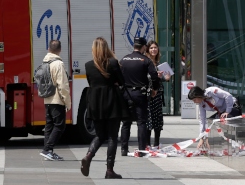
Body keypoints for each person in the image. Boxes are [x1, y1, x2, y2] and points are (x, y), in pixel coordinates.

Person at [80, 37, 128, 179]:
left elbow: (91, 82)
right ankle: (109, 170)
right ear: (106, 48)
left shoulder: (88, 65)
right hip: (111, 101)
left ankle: (88, 156)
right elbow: (122, 81)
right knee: (112, 136)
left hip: (95, 102)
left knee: (100, 135)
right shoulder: (113, 63)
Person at [119, 37, 159, 156]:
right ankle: (141, 149)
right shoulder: (145, 60)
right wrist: (154, 89)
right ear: (143, 47)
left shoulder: (124, 59)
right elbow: (154, 76)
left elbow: (118, 76)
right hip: (140, 94)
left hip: (126, 94)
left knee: (126, 122)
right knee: (141, 122)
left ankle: (124, 149)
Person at [39, 39, 71, 161]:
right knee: (59, 126)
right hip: (57, 100)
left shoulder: (45, 62)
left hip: (47, 99)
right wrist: (67, 102)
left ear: (48, 49)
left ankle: (48, 152)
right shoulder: (58, 64)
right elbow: (63, 85)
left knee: (49, 126)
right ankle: (47, 149)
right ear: (60, 50)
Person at [144, 40, 171, 148]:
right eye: (151, 48)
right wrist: (155, 76)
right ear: (148, 50)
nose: (153, 50)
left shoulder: (160, 64)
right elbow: (144, 77)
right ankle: (147, 143)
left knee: (158, 118)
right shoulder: (146, 62)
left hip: (158, 93)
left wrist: (166, 78)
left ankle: (156, 142)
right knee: (149, 117)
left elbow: (162, 79)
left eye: (155, 47)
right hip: (149, 94)